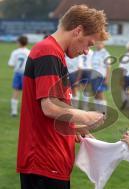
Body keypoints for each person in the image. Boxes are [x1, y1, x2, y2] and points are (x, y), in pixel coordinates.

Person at [17, 5, 108, 189]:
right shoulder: (48, 52)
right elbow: (49, 107)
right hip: (44, 163)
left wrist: (75, 128)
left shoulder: (55, 53)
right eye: (88, 44)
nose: (86, 51)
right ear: (78, 31)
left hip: (52, 163)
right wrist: (87, 116)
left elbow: (55, 109)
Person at [8, 36, 30, 116]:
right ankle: (27, 111)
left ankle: (14, 111)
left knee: (16, 92)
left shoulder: (15, 52)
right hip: (26, 75)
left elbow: (10, 64)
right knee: (27, 94)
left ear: (19, 43)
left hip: (17, 73)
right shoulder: (29, 52)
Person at [91, 41, 111, 114]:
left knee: (100, 94)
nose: (98, 45)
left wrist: (107, 78)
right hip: (94, 77)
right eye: (97, 43)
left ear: (103, 44)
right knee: (95, 94)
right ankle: (97, 112)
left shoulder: (105, 54)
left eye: (100, 43)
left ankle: (103, 112)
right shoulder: (95, 53)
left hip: (101, 77)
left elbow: (108, 67)